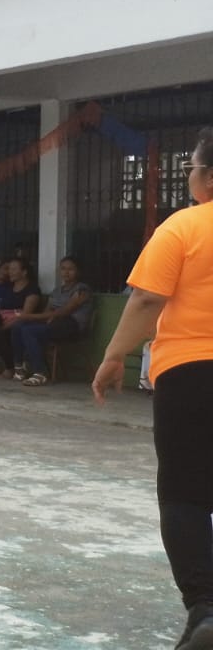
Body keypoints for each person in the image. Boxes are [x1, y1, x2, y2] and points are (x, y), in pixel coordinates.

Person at [94, 129, 213, 649]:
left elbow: (146, 300)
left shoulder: (184, 226)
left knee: (185, 492)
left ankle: (206, 608)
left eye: (190, 167)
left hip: (191, 372)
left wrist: (113, 355)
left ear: (209, 177)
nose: (188, 176)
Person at [14, 257, 93, 387]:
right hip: (55, 324)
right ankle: (19, 368)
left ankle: (40, 373)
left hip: (72, 326)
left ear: (78, 271)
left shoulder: (82, 289)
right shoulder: (57, 291)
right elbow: (47, 312)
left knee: (30, 331)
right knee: (19, 326)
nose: (66, 272)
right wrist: (32, 318)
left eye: (71, 269)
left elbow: (65, 312)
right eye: (63, 269)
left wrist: (29, 316)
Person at [0, 257, 43, 380]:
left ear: (24, 272)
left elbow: (25, 315)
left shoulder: (32, 289)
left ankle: (12, 367)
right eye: (9, 269)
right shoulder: (8, 288)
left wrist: (4, 327)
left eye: (13, 269)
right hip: (4, 321)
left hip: (21, 324)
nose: (10, 272)